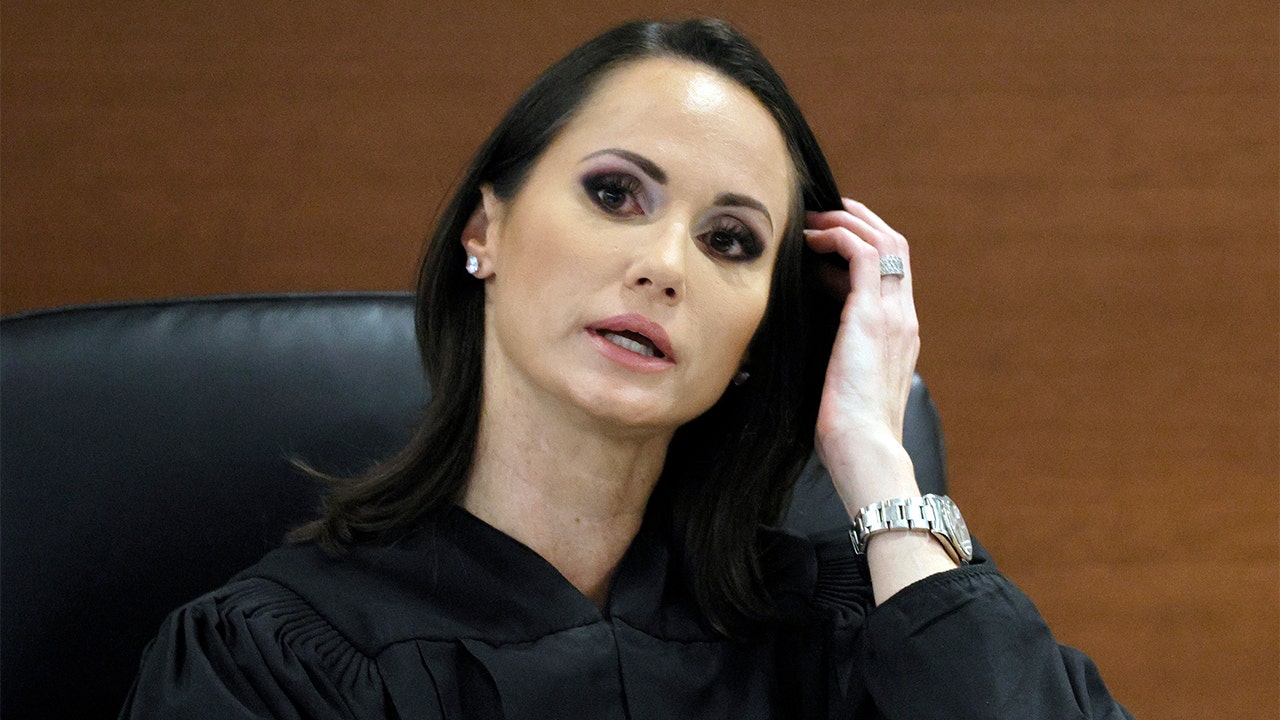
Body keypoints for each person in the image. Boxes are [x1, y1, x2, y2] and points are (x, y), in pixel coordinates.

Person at [121, 18, 1133, 719]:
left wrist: (874, 458)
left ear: (759, 335)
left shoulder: (839, 636)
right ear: (485, 228)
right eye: (614, 194)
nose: (664, 265)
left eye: (729, 241)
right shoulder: (274, 662)